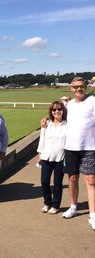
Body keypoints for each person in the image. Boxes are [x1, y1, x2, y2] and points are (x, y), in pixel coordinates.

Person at [60, 77, 95, 230]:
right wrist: (44, 121)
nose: (79, 89)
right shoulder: (68, 105)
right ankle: (73, 207)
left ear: (86, 87)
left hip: (90, 147)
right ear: (71, 88)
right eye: (76, 87)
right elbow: (56, 117)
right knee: (72, 178)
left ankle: (93, 215)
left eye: (82, 86)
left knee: (91, 180)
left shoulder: (93, 101)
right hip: (71, 147)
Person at [36, 101, 67, 214]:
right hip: (46, 157)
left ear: (63, 110)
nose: (56, 111)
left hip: (60, 157)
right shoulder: (46, 124)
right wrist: (40, 154)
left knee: (58, 182)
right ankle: (47, 202)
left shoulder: (67, 125)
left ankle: (56, 205)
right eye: (54, 110)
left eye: (59, 109)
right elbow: (42, 139)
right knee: (44, 181)